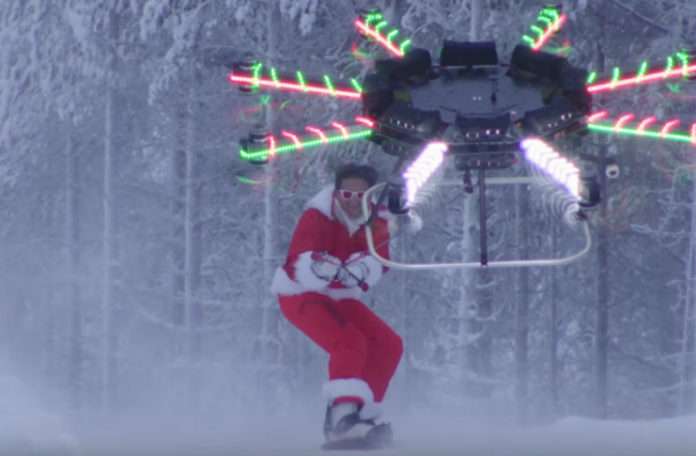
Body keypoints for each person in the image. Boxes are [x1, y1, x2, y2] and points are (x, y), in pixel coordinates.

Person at [271, 163, 402, 446]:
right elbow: (298, 263)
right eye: (346, 195)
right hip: (301, 294)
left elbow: (380, 259)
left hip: (339, 296)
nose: (352, 202)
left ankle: (363, 415)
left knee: (388, 344)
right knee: (349, 342)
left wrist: (364, 268)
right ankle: (341, 419)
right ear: (336, 193)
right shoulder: (318, 216)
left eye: (360, 196)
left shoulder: (375, 221)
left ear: (370, 196)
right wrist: (319, 267)